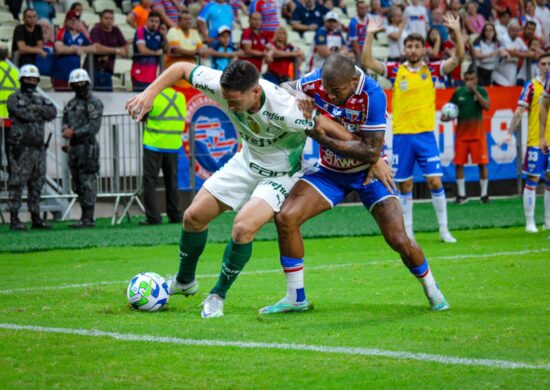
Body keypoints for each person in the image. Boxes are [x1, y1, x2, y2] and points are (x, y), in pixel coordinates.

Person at [125, 60, 386, 318]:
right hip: (246, 163)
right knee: (192, 217)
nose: (230, 106)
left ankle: (217, 295)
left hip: (282, 174)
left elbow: (333, 129)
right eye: (227, 99)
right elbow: (181, 68)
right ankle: (184, 281)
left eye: (235, 101)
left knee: (242, 228)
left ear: (256, 92)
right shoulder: (221, 86)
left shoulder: (286, 109)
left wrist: (375, 158)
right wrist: (149, 93)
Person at [260, 54, 450, 314]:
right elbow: (283, 88)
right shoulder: (319, 80)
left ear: (353, 81)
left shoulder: (373, 94)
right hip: (330, 172)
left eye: (336, 91)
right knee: (286, 218)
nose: (329, 95)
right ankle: (296, 298)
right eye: (326, 89)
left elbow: (370, 152)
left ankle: (432, 289)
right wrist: (299, 96)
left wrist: (320, 136)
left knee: (397, 239)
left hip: (370, 174)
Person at [362, 15, 464, 243]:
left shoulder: (434, 70)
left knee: (435, 182)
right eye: (409, 46)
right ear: (405, 48)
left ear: (424, 49)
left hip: (426, 135)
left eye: (417, 46)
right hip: (402, 137)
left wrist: (456, 31)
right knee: (405, 184)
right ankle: (408, 232)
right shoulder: (396, 70)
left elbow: (459, 58)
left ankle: (444, 230)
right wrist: (369, 33)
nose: (413, 50)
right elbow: (367, 61)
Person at [503, 53, 550, 232]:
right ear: (538, 66)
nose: (547, 67)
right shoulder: (532, 85)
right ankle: (530, 222)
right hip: (536, 140)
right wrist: (509, 132)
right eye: (543, 64)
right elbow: (519, 110)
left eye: (549, 64)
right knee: (533, 179)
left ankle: (547, 221)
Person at [6, 64, 57, 230]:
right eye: (28, 79)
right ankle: (14, 218)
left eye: (34, 79)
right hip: (21, 148)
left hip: (39, 148)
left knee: (37, 183)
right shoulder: (14, 97)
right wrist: (38, 112)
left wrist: (35, 109)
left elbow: (52, 112)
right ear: (22, 80)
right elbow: (22, 113)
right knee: (17, 182)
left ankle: (36, 217)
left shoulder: (40, 98)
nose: (31, 81)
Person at [62, 69, 104, 228]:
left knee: (88, 182)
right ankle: (83, 216)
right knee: (77, 183)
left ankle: (89, 217)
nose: (80, 86)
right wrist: (67, 133)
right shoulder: (71, 104)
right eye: (76, 84)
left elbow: (94, 126)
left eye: (82, 83)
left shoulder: (94, 102)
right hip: (74, 149)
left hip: (88, 147)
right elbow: (65, 122)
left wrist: (74, 133)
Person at [139, 88, 185, 225]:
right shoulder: (180, 96)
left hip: (154, 144)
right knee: (172, 181)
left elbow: (141, 116)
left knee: (150, 181)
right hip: (173, 145)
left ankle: (153, 217)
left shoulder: (152, 96)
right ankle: (175, 215)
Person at [446, 69, 490, 204]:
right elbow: (449, 111)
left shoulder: (481, 91)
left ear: (476, 80)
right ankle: (462, 195)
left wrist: (475, 92)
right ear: (464, 80)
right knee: (459, 165)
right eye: (467, 79)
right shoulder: (458, 93)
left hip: (477, 135)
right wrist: (445, 117)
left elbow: (487, 106)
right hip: (461, 136)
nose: (470, 82)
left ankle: (484, 195)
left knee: (482, 165)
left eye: (472, 79)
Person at [52, 10, 95, 91]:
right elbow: (59, 49)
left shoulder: (81, 35)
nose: (74, 22)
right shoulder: (62, 32)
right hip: (61, 74)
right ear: (66, 21)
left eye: (76, 20)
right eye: (72, 19)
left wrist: (79, 48)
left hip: (76, 76)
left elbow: (93, 47)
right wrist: (75, 49)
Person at [89, 10, 129, 92]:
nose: (109, 21)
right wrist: (116, 50)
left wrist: (106, 51)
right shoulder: (95, 30)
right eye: (106, 18)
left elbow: (125, 51)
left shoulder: (116, 31)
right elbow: (96, 48)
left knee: (108, 100)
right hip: (94, 71)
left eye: (111, 19)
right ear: (100, 19)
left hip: (108, 72)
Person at [166, 10, 203, 89]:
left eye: (189, 19)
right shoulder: (173, 31)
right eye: (185, 19)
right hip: (175, 67)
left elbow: (201, 51)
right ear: (179, 21)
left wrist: (188, 53)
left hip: (191, 68)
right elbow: (176, 51)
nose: (188, 21)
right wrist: (194, 52)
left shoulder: (194, 32)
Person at [131, 11, 167, 91]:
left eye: (157, 22)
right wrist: (155, 53)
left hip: (153, 74)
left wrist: (164, 35)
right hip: (139, 73)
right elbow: (142, 49)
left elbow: (167, 50)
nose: (154, 24)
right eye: (152, 21)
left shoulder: (159, 33)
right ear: (147, 20)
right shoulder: (140, 31)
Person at [0, 44, 19, 170]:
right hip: (12, 116)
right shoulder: (15, 71)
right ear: (7, 55)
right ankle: (14, 178)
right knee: (11, 149)